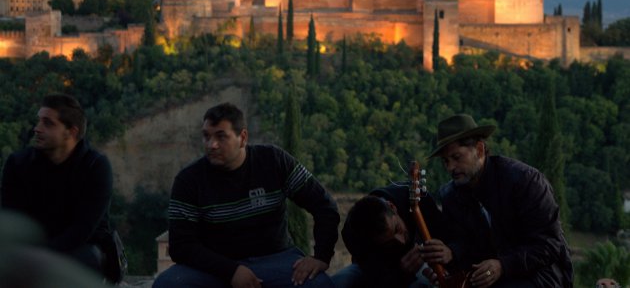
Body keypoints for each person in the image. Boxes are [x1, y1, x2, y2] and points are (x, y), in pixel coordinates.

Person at [153, 102, 340, 288]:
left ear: (242, 138)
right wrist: (231, 270)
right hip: (215, 268)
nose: (211, 145)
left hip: (277, 260)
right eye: (206, 136)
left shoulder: (273, 161)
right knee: (167, 284)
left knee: (320, 285)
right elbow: (180, 246)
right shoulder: (189, 180)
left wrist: (321, 257)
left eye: (221, 136)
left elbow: (324, 206)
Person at [421, 113, 573, 288]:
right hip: (485, 278)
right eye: (445, 161)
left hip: (541, 275)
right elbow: (465, 243)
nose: (450, 168)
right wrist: (450, 253)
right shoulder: (451, 196)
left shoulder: (525, 181)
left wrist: (503, 265)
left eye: (456, 157)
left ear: (479, 150)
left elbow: (549, 244)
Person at [1, 93, 113, 280]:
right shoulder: (18, 164)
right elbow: (11, 218)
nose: (37, 129)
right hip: (30, 245)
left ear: (71, 132)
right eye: (39, 121)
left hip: (79, 249)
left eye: (48, 123)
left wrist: (41, 255)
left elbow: (83, 229)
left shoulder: (95, 166)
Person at [333, 182, 447, 288]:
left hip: (424, 265)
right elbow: (375, 277)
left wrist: (441, 263)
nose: (401, 241)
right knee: (339, 281)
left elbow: (448, 239)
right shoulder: (355, 236)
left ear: (392, 207)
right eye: (389, 243)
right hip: (379, 272)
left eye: (397, 229)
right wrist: (402, 273)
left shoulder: (416, 195)